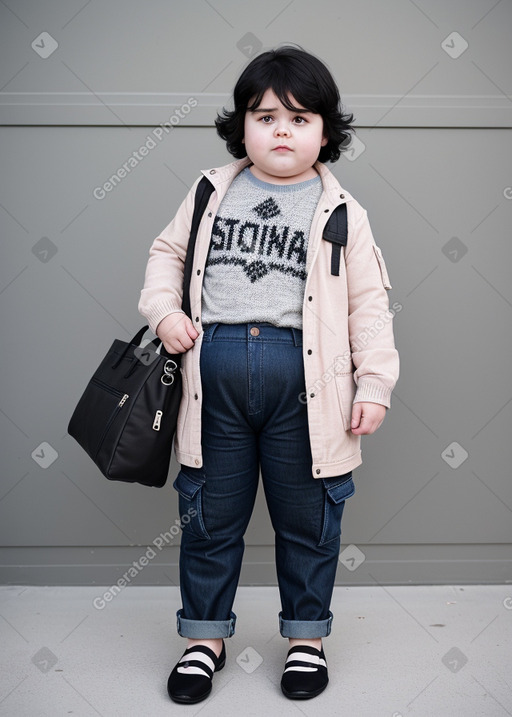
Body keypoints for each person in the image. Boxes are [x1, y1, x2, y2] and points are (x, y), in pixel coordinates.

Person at [138, 44, 399, 704]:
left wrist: (374, 384)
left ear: (326, 132)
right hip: (212, 380)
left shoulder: (342, 211)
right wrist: (165, 312)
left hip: (308, 390)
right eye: (266, 116)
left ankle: (305, 638)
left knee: (309, 519)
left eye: (300, 118)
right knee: (208, 515)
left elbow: (370, 304)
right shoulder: (209, 191)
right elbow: (165, 258)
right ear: (241, 126)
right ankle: (204, 637)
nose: (282, 130)